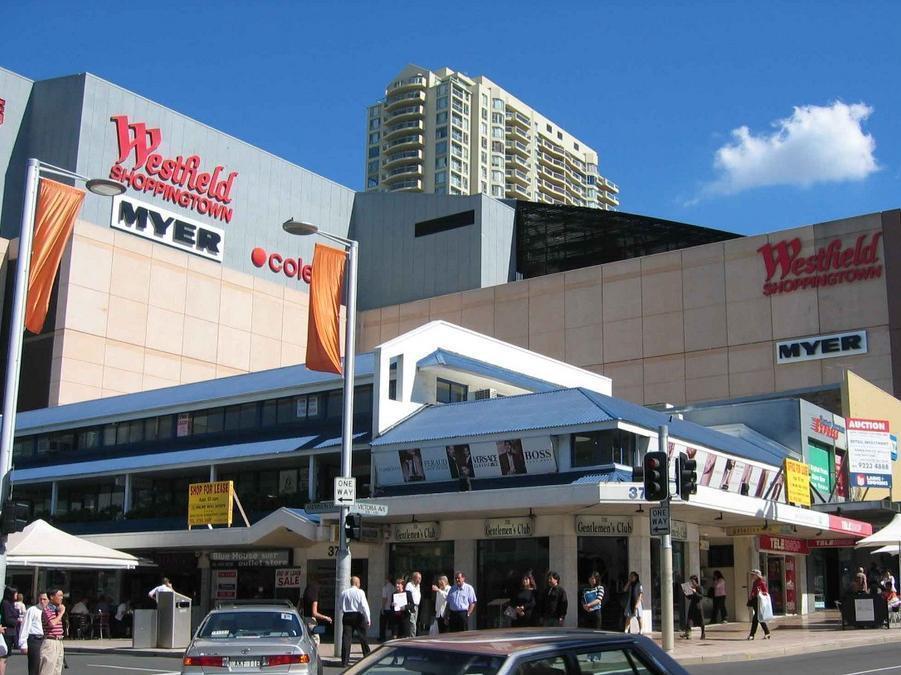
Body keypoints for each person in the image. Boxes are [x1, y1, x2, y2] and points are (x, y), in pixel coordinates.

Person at [338, 576, 371, 667]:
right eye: (359, 583)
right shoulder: (360, 592)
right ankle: (367, 657)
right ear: (357, 583)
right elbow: (364, 606)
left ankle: (344, 661)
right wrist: (368, 618)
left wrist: (344, 610)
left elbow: (339, 605)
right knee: (363, 637)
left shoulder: (344, 592)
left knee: (346, 639)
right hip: (358, 615)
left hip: (347, 616)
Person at [19, 592, 48, 675]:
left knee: (46, 667)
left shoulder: (51, 611)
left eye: (44, 599)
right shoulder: (32, 610)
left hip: (46, 640)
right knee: (34, 667)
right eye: (40, 599)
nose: (42, 601)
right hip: (35, 640)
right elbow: (25, 627)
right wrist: (23, 644)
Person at [39, 589, 66, 675]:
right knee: (47, 670)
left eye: (62, 596)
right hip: (50, 642)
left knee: (57, 671)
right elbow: (52, 624)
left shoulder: (57, 610)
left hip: (59, 641)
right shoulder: (47, 609)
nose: (61, 598)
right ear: (51, 597)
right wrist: (61, 613)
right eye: (59, 595)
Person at [747, 569, 771, 640]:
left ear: (757, 575)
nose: (751, 576)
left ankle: (752, 634)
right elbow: (752, 591)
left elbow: (765, 592)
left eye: (753, 575)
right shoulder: (755, 582)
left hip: (759, 601)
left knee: (756, 618)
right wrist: (751, 597)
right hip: (754, 601)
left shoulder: (761, 582)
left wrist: (760, 592)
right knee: (759, 618)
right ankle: (767, 633)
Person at [682, 575, 706, 640]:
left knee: (701, 620)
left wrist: (695, 592)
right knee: (689, 619)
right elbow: (689, 598)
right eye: (691, 581)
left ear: (695, 581)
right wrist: (686, 592)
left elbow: (701, 596)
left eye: (692, 581)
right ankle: (688, 633)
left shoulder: (699, 587)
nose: (691, 582)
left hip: (698, 606)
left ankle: (703, 633)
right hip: (692, 605)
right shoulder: (691, 587)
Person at [0, 588, 17, 659]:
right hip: (6, 631)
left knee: (5, 656)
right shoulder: (5, 603)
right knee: (3, 656)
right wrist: (17, 622)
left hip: (11, 631)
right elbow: (7, 619)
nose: (16, 595)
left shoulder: (11, 603)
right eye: (15, 593)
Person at [405, 572, 422, 637]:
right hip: (411, 606)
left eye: (420, 578)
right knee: (412, 623)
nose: (420, 580)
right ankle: (412, 637)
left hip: (417, 606)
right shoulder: (409, 585)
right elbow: (407, 596)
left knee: (415, 622)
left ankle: (412, 636)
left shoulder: (418, 586)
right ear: (414, 578)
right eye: (419, 578)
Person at [379, 576, 395, 642]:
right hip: (391, 608)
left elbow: (384, 598)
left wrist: (382, 608)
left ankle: (382, 637)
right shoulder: (393, 587)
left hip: (386, 608)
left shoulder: (385, 588)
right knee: (392, 624)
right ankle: (393, 637)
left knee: (382, 624)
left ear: (387, 579)